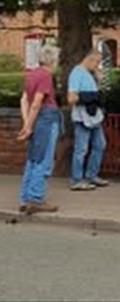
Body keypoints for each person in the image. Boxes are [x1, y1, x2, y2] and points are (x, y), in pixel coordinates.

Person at [18, 45, 62, 214]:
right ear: (52, 60)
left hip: (35, 120)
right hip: (46, 120)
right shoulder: (46, 75)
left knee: (33, 159)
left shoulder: (31, 74)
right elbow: (37, 102)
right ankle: (36, 198)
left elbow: (24, 100)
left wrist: (26, 123)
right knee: (44, 160)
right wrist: (29, 126)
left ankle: (25, 197)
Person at [68, 49, 108, 191]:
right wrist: (88, 97)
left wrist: (98, 80)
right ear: (89, 59)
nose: (97, 66)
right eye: (97, 62)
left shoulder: (89, 74)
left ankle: (91, 174)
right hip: (82, 116)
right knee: (81, 148)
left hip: (94, 116)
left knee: (100, 145)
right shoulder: (77, 73)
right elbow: (71, 98)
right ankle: (76, 179)